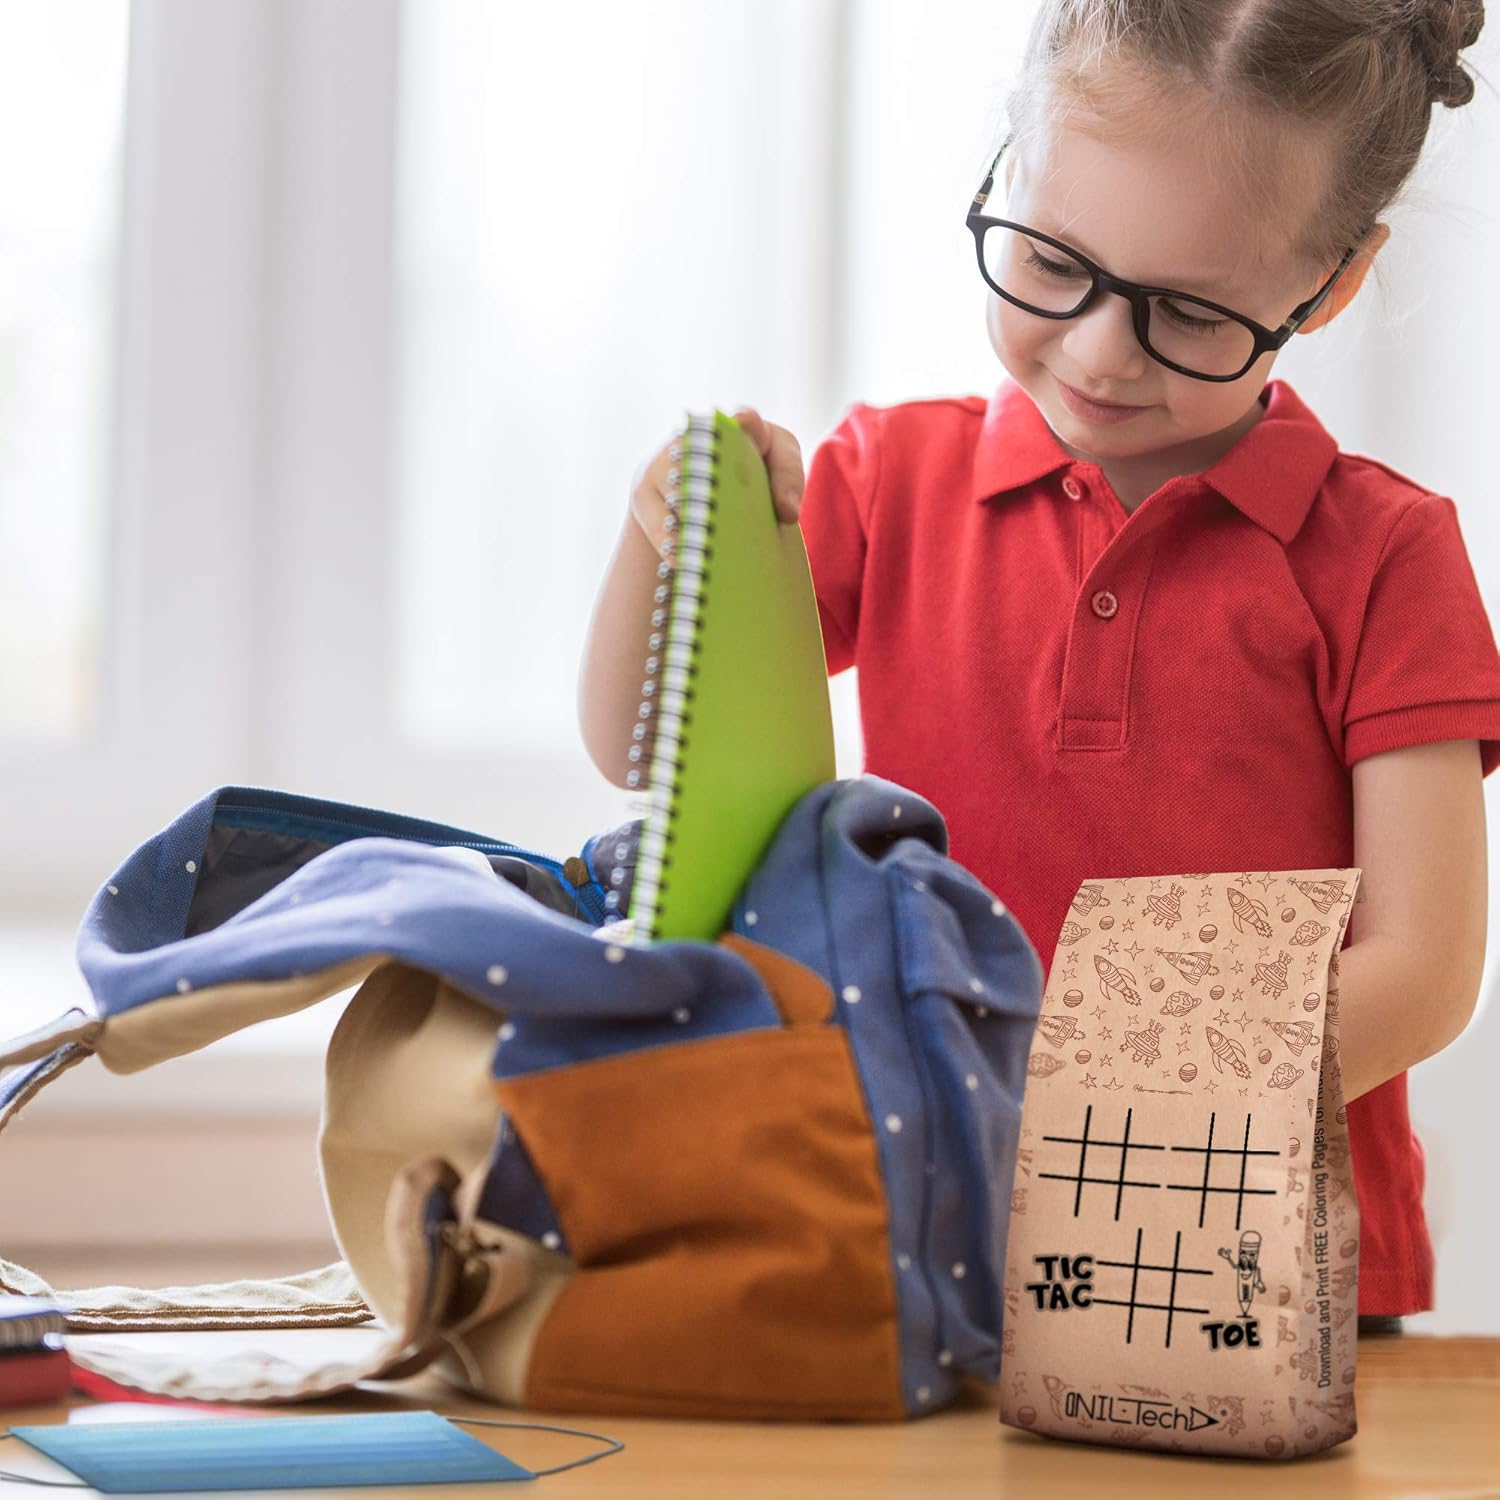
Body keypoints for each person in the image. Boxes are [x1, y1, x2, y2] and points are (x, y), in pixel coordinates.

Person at [576, 0, 1500, 1335]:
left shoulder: (1387, 556)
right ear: (1010, 165)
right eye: (1054, 262)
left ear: (1332, 282)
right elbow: (638, 753)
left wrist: (1099, 1100)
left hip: (1267, 1276)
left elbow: (1423, 972)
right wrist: (662, 536)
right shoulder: (888, 481)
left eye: (1189, 311)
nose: (1099, 351)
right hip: (932, 1227)